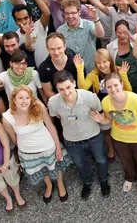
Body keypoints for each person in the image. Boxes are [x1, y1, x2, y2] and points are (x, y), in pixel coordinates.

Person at [2, 85, 71, 204]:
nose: (24, 101)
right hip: (28, 152)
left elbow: (50, 126)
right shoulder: (7, 118)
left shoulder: (39, 107)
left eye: (27, 98)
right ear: (14, 99)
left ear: (31, 99)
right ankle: (48, 185)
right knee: (42, 171)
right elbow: (15, 138)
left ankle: (60, 184)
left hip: (47, 146)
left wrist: (58, 147)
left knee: (56, 166)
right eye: (20, 98)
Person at [48, 71, 111, 200]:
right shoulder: (53, 102)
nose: (66, 92)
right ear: (56, 89)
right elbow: (57, 116)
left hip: (93, 136)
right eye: (61, 89)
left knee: (101, 159)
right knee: (80, 163)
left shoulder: (89, 97)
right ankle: (87, 182)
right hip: (72, 140)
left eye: (68, 87)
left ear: (74, 83)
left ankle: (103, 180)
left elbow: (99, 111)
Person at [97, 73, 137, 195]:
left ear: (122, 84)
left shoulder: (136, 100)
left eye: (116, 85)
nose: (113, 89)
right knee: (126, 160)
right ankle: (130, 177)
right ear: (105, 88)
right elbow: (110, 119)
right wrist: (101, 120)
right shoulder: (105, 102)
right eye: (109, 87)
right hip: (119, 137)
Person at [74, 50, 131, 163]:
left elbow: (129, 91)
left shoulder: (119, 70)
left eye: (105, 62)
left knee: (123, 128)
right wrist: (80, 68)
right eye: (98, 63)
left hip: (119, 106)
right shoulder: (94, 74)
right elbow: (82, 87)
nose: (102, 65)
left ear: (110, 61)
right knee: (107, 132)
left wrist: (123, 75)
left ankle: (125, 149)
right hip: (104, 107)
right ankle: (111, 149)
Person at [57, 0, 104, 73]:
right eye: (67, 13)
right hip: (73, 72)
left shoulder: (88, 24)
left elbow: (101, 34)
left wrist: (95, 18)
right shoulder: (60, 31)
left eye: (73, 13)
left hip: (91, 70)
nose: (70, 16)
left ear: (79, 12)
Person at [107, 20, 137, 96]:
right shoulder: (110, 46)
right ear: (115, 32)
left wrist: (131, 37)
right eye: (119, 32)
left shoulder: (135, 38)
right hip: (123, 87)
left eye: (125, 32)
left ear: (129, 31)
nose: (122, 35)